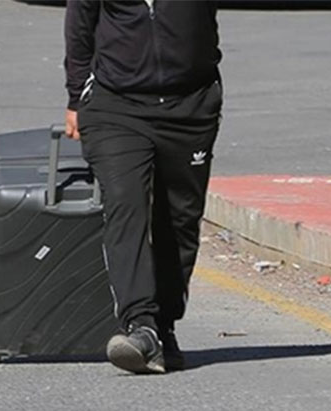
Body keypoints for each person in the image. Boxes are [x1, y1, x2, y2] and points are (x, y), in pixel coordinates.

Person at [64, 0, 223, 374]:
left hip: (192, 104)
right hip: (116, 105)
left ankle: (163, 325)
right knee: (126, 205)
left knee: (180, 220)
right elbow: (79, 24)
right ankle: (140, 325)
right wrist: (76, 97)